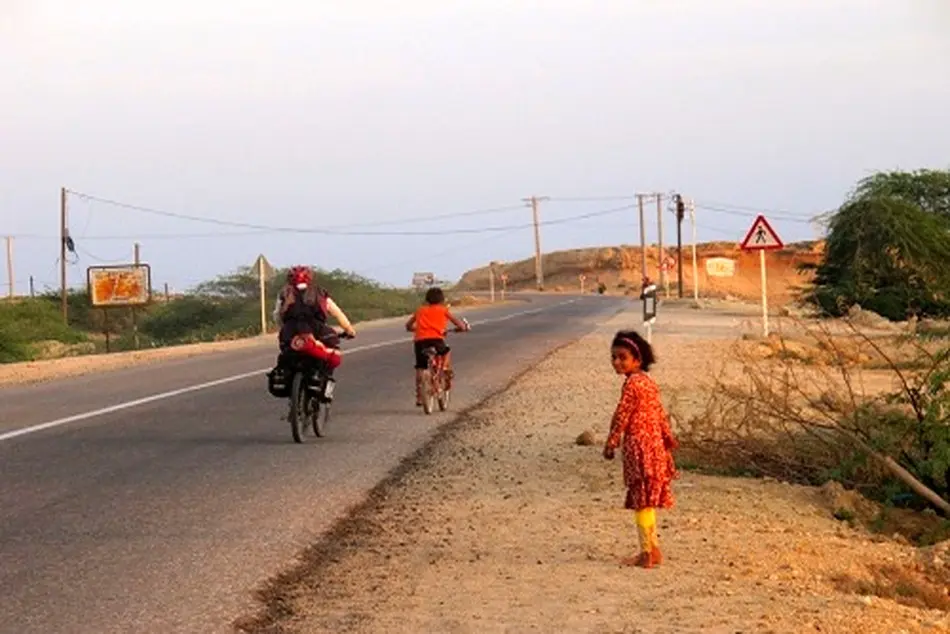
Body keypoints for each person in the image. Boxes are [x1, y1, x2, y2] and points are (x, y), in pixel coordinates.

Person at [602, 330, 678, 569]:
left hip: (640, 447)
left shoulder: (632, 385)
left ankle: (646, 553)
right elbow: (660, 414)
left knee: (642, 502)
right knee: (647, 500)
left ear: (638, 359)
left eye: (622, 357)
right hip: (654, 447)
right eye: (614, 357)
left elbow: (622, 416)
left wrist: (611, 442)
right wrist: (667, 444)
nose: (616, 362)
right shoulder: (648, 382)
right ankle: (652, 549)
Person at [272, 266, 356, 379]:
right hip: (317, 328)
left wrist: (284, 328)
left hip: (289, 330)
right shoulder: (319, 292)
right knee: (333, 350)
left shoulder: (284, 293)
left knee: (285, 351)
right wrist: (348, 329)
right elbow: (336, 312)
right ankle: (325, 379)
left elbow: (277, 315)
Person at [405, 287, 469, 406]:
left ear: (427, 299)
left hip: (420, 341)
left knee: (420, 367)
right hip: (436, 339)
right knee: (446, 351)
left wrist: (416, 329)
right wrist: (462, 328)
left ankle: (419, 396)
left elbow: (408, 326)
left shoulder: (420, 310)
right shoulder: (443, 310)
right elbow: (459, 324)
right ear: (442, 300)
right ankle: (444, 369)